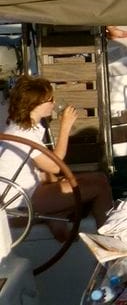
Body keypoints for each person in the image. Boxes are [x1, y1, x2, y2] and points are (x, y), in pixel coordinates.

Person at [0, 76, 113, 240]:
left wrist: (57, 180)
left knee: (99, 177)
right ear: (35, 105)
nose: (54, 103)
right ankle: (110, 241)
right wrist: (65, 126)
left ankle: (56, 217)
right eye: (50, 100)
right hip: (19, 205)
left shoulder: (20, 127)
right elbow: (55, 166)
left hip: (25, 194)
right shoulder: (23, 134)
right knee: (99, 187)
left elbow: (41, 170)